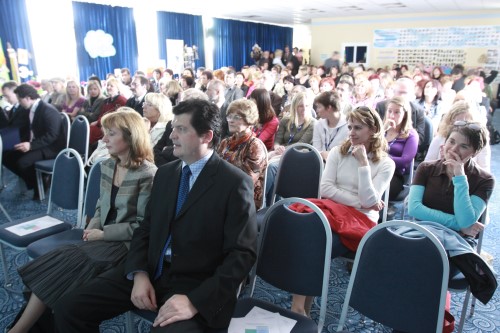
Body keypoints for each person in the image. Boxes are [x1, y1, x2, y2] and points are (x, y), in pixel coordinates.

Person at [52, 99, 258, 333]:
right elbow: (146, 229)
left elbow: (242, 254)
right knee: (69, 308)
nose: (172, 136)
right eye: (172, 128)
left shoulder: (233, 183)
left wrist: (195, 301)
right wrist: (138, 273)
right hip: (152, 270)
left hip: (196, 284)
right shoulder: (166, 174)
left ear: (206, 136)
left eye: (181, 129)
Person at [7, 109, 157, 333]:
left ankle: (19, 330)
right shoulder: (109, 165)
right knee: (58, 269)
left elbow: (143, 227)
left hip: (126, 245)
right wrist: (93, 227)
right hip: (101, 238)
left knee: (62, 266)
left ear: (131, 136)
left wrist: (102, 234)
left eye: (111, 134)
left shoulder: (148, 174)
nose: (103, 139)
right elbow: (100, 206)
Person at [291, 106, 395, 316]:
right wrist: (361, 201)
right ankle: (302, 308)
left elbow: (368, 202)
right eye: (350, 127)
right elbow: (326, 189)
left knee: (315, 241)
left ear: (373, 129)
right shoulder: (339, 151)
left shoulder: (386, 164)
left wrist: (363, 163)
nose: (352, 132)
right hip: (333, 212)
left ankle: (300, 308)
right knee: (306, 230)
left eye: (358, 127)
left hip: (360, 222)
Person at [408, 121, 494, 239]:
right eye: (451, 141)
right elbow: (414, 209)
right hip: (422, 231)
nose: (454, 149)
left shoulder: (485, 180)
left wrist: (459, 177)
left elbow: (466, 221)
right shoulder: (426, 168)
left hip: (459, 239)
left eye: (464, 146)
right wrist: (458, 224)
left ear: (475, 152)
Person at [2, 84, 66, 200]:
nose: (19, 103)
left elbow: (52, 136)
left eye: (20, 100)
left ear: (27, 98)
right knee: (7, 156)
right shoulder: (32, 108)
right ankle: (36, 180)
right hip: (40, 144)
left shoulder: (47, 110)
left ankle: (38, 184)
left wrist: (31, 145)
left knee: (23, 162)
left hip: (52, 148)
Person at [218, 99, 267, 209]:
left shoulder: (254, 146)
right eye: (229, 116)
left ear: (248, 120)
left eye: (236, 117)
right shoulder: (225, 142)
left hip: (244, 199)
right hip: (222, 193)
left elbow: (246, 181)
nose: (230, 120)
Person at [425, 101, 491, 171]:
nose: (462, 127)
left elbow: (485, 172)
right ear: (450, 122)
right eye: (458, 123)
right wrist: (441, 162)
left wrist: (465, 164)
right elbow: (426, 167)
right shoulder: (439, 139)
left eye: (466, 123)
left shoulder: (480, 144)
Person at [153, 88, 208, 167]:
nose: (179, 107)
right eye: (179, 102)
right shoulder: (170, 124)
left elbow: (193, 155)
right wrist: (168, 168)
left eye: (184, 104)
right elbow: (156, 151)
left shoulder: (204, 128)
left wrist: (168, 151)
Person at [383, 96, 418, 200]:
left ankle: (378, 215)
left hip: (395, 174)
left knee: (378, 188)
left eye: (397, 112)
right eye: (389, 111)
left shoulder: (411, 135)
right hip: (374, 168)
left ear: (405, 115)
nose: (392, 116)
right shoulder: (380, 129)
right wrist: (382, 130)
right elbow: (369, 147)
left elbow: (405, 160)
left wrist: (382, 157)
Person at [89, 78, 127, 146]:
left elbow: (117, 117)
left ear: (117, 88)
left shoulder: (122, 101)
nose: (108, 87)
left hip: (111, 127)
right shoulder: (106, 101)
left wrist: (98, 122)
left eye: (111, 86)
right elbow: (101, 115)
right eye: (108, 85)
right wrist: (98, 122)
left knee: (91, 131)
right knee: (88, 129)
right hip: (102, 124)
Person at [312, 91, 349, 161]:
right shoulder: (318, 124)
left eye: (319, 107)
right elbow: (316, 149)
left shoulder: (349, 125)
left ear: (329, 108)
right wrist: (322, 154)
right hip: (322, 163)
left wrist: (330, 155)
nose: (317, 110)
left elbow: (347, 151)